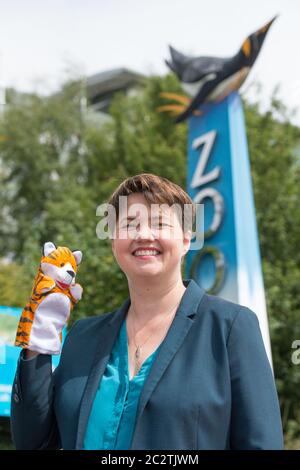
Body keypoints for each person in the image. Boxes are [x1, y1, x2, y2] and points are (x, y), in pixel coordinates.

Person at [10, 173, 284, 450]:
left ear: (186, 240)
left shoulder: (230, 327)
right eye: (129, 224)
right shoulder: (83, 336)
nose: (143, 235)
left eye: (159, 223)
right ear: (114, 241)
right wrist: (38, 345)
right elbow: (34, 442)